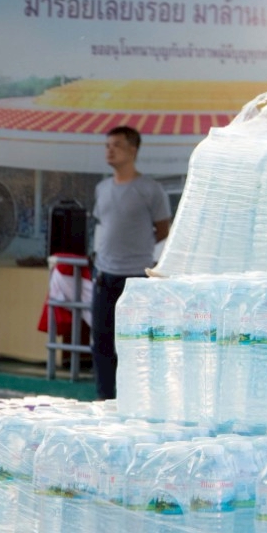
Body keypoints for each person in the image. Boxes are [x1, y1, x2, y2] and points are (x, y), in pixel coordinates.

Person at [90, 125, 171, 400]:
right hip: (104, 276)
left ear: (133, 150)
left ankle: (136, 400)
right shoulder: (102, 188)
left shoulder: (150, 189)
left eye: (116, 145)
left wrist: (140, 251)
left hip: (136, 278)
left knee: (135, 345)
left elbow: (163, 229)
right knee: (102, 342)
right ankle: (105, 399)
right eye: (107, 145)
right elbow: (103, 226)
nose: (109, 150)